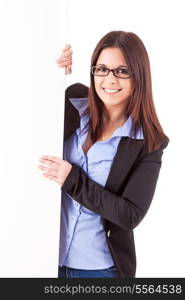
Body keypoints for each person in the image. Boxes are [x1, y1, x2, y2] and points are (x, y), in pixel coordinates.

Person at [38, 31, 169, 278]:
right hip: (42, 258)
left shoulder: (149, 143)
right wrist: (50, 69)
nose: (109, 79)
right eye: (102, 69)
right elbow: (27, 114)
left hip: (99, 271)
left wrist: (72, 180)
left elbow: (129, 214)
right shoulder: (72, 102)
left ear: (138, 77)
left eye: (122, 71)